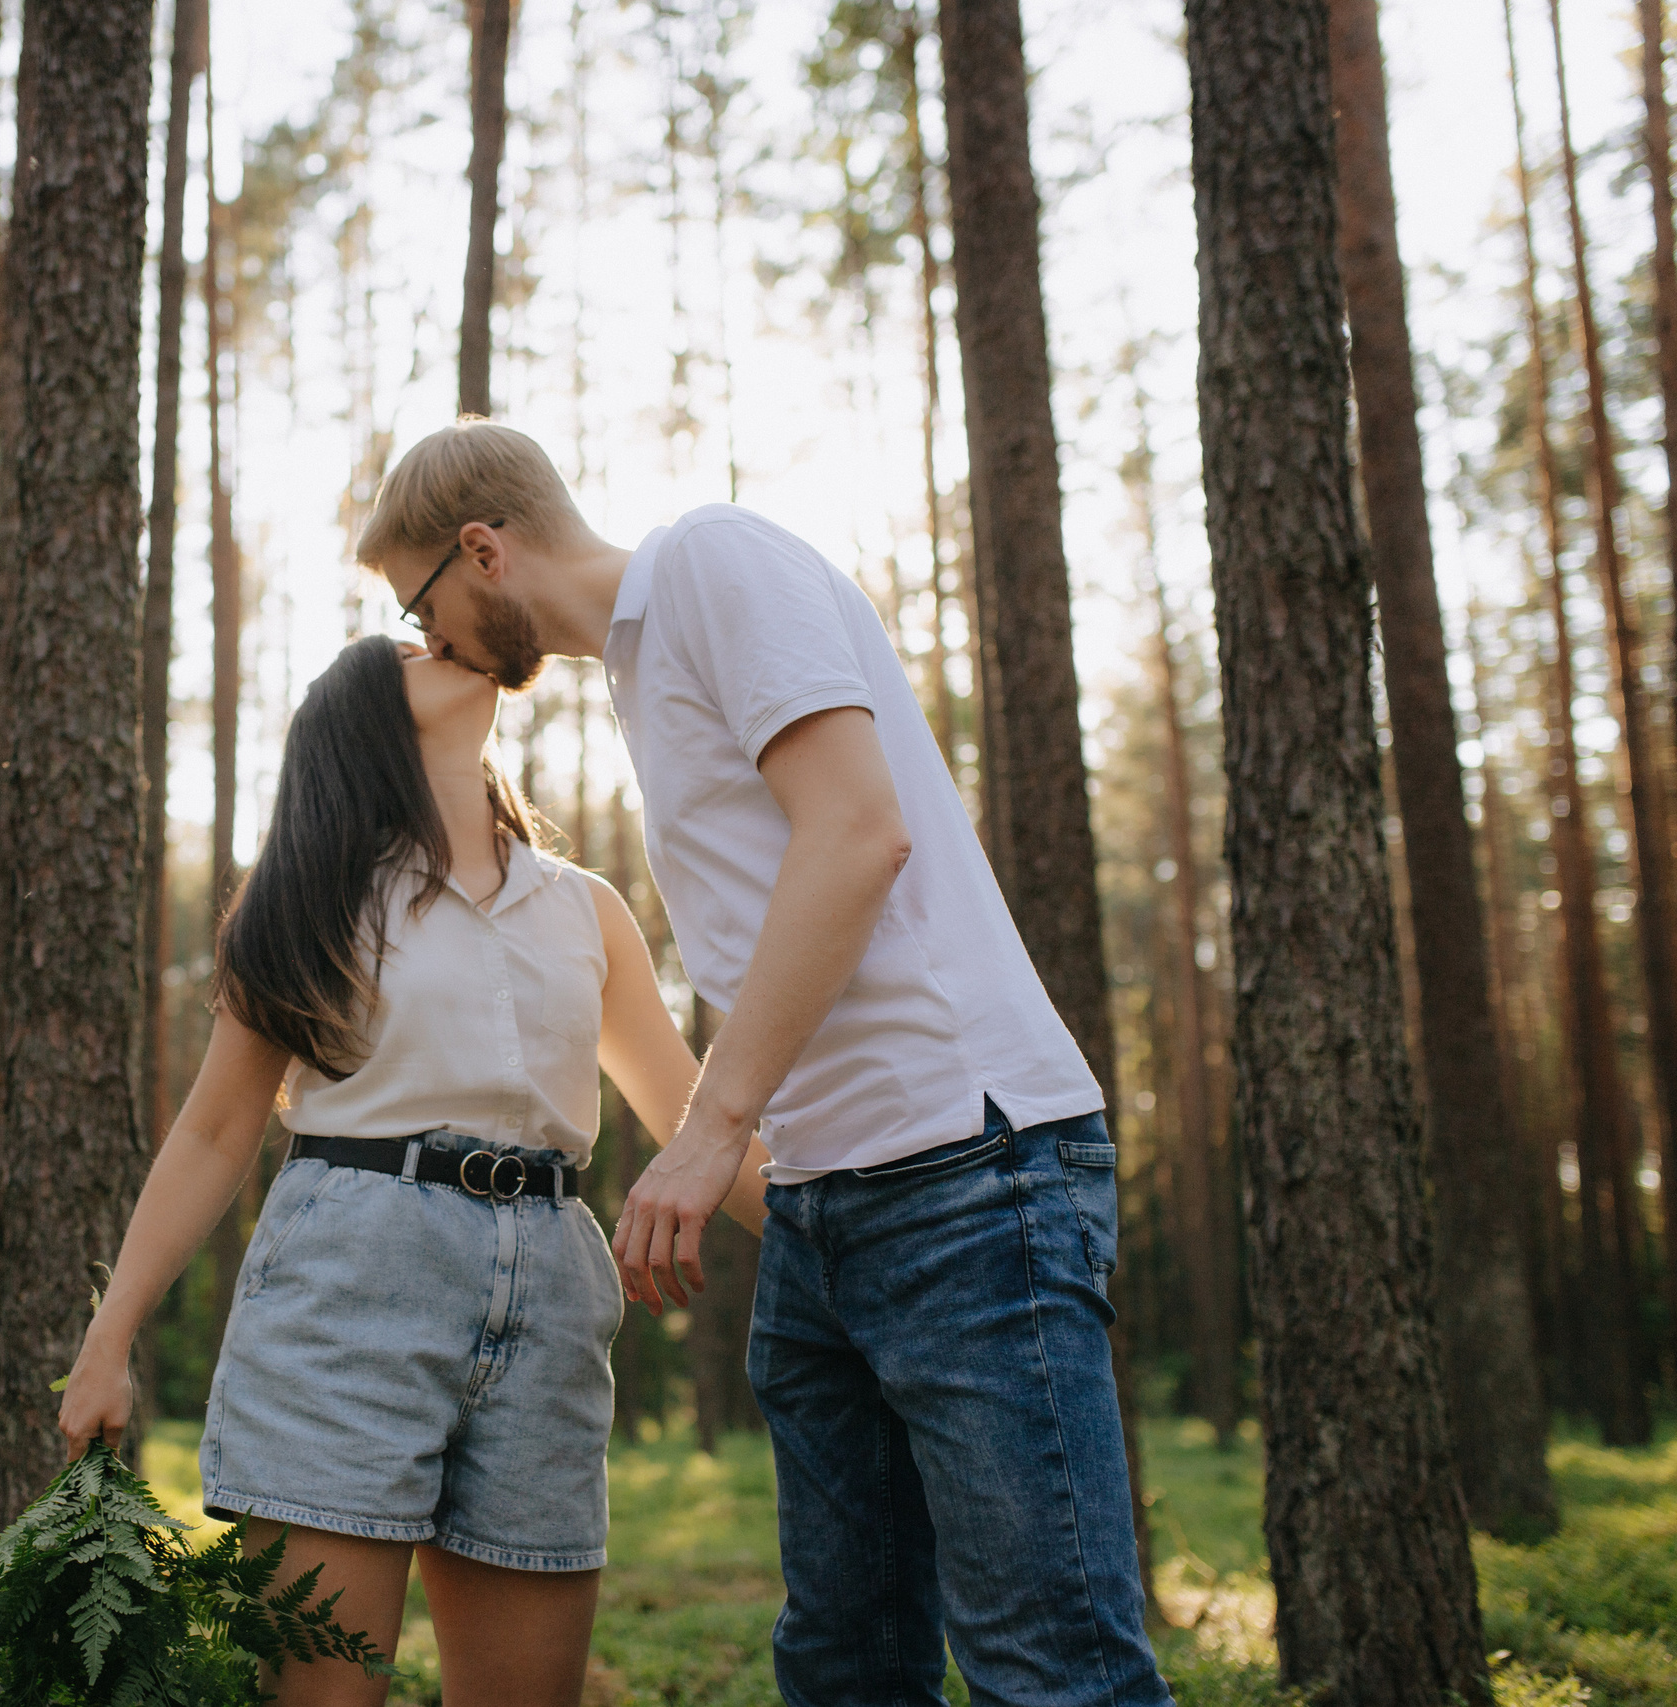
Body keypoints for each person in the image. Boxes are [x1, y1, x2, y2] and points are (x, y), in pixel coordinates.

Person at [355, 421, 1173, 1707]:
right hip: (825, 1205)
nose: (433, 644)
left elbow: (857, 835)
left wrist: (705, 1131)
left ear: (483, 551)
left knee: (1050, 1671)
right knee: (843, 1667)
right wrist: (764, 1173)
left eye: (424, 606)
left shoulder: (709, 564)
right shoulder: (638, 665)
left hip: (970, 1171)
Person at [55, 634, 768, 1707]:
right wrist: (109, 1340)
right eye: (413, 650)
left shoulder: (586, 910)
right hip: (347, 1288)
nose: (449, 645)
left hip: (551, 1301)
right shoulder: (300, 898)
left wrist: (857, 1246)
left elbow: (692, 1115)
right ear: (366, 717)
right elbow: (212, 1132)